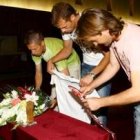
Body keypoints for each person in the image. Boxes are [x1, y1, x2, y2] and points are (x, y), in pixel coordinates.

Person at [76, 8, 140, 140]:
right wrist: (91, 86)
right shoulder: (115, 35)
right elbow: (113, 65)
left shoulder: (134, 42)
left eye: (94, 40)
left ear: (104, 29)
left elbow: (138, 92)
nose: (95, 44)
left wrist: (101, 102)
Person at [49, 2, 111, 125]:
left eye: (65, 26)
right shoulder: (66, 29)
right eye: (60, 28)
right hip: (86, 65)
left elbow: (109, 56)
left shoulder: (89, 22)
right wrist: (52, 60)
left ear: (73, 17)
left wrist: (92, 74)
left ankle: (102, 135)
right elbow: (67, 50)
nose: (63, 30)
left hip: (103, 67)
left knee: (100, 106)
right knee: (85, 105)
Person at [24, 30, 81, 109]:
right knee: (53, 96)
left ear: (42, 43)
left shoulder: (53, 50)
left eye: (34, 49)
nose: (33, 53)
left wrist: (57, 99)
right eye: (30, 50)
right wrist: (37, 91)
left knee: (72, 94)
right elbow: (38, 73)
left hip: (71, 64)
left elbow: (66, 79)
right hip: (55, 64)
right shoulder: (35, 51)